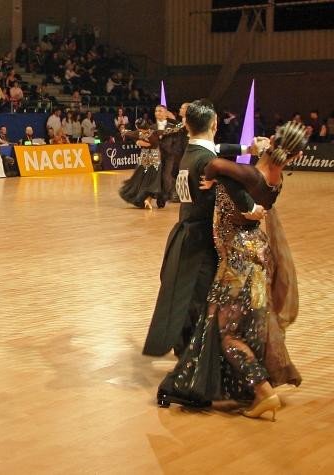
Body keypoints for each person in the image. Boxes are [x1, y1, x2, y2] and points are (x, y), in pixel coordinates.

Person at [157, 122, 305, 418]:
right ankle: (212, 386)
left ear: (272, 142)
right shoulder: (274, 180)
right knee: (217, 322)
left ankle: (263, 391)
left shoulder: (249, 174)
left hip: (237, 261)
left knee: (228, 334)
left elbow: (212, 164)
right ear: (295, 157)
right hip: (254, 254)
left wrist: (211, 180)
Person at [142, 99, 263, 360]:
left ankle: (185, 347)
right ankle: (193, 355)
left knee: (187, 294)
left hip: (184, 232)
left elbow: (215, 150)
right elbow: (231, 178)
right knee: (199, 297)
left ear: (186, 125)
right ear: (215, 124)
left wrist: (247, 147)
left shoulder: (190, 152)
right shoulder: (207, 160)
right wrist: (251, 207)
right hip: (200, 238)